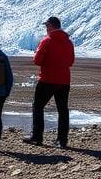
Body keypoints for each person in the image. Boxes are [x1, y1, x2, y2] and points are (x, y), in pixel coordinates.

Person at [23, 16, 75, 148]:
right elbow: (71, 61)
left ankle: (37, 137)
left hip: (47, 79)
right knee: (63, 110)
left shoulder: (47, 40)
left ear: (51, 26)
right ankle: (62, 140)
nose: (46, 28)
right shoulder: (68, 42)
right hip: (64, 80)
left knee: (38, 106)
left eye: (47, 26)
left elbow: (37, 60)